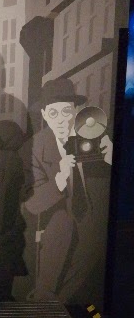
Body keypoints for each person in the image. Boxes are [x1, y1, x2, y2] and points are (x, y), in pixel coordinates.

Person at [20, 77, 113, 303]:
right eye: (53, 113)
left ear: (76, 111)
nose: (61, 120)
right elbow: (31, 203)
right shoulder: (34, 148)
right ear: (44, 115)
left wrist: (112, 159)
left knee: (97, 237)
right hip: (55, 220)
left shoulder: (94, 136)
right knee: (62, 225)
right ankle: (45, 297)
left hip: (92, 216)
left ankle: (49, 301)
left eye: (66, 112)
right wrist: (60, 180)